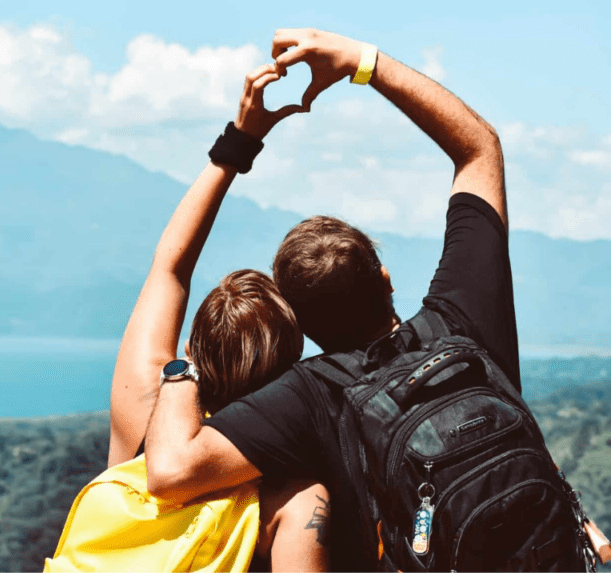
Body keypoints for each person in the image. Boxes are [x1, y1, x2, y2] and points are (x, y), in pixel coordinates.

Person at [143, 28, 530, 571]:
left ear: (301, 328)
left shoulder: (311, 395)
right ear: (386, 278)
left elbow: (169, 471)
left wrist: (185, 367)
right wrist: (360, 61)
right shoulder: (463, 319)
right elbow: (479, 146)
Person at [106, 61, 328, 571]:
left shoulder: (142, 407)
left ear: (190, 349)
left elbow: (171, 266)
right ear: (292, 362)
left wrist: (240, 143)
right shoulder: (292, 493)